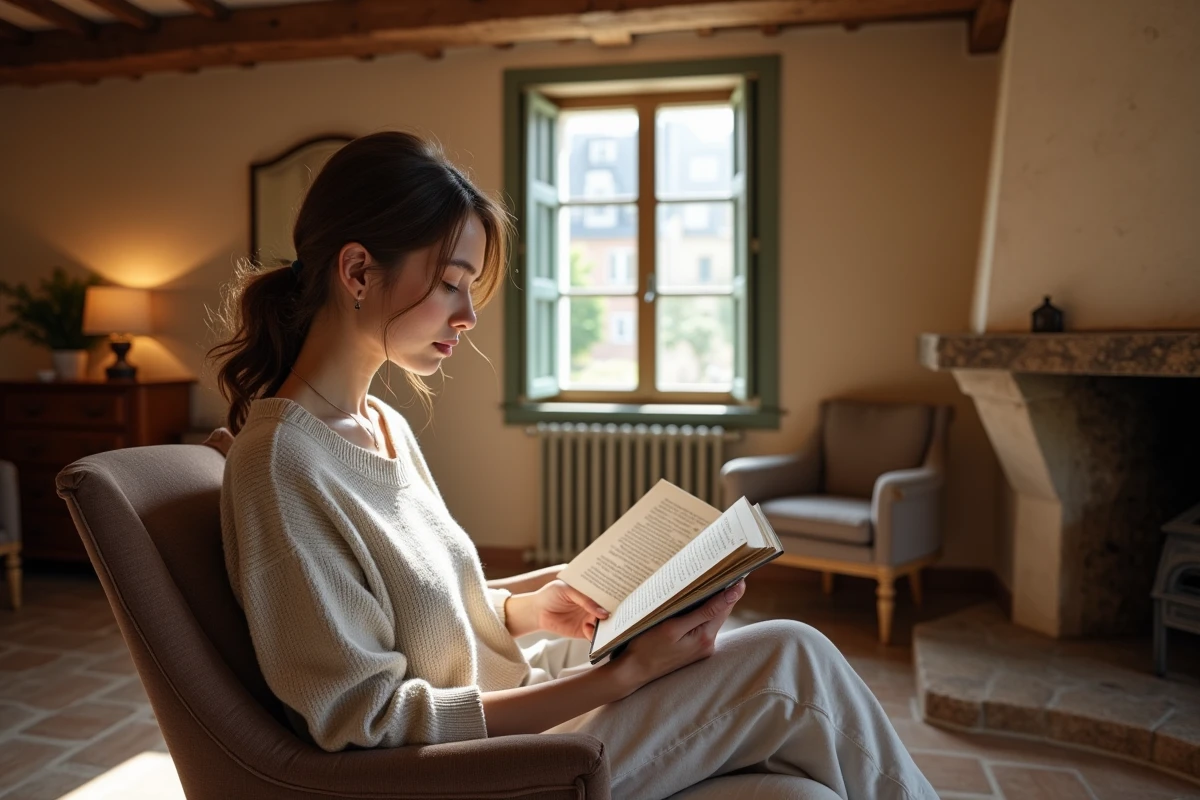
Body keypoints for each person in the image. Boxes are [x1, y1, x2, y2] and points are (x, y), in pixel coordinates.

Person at [208, 131, 937, 800]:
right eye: (452, 281)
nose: (468, 315)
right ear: (359, 270)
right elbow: (365, 716)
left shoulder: (381, 426)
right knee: (791, 661)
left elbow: (435, 618)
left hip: (516, 712)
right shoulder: (281, 464)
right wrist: (627, 673)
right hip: (471, 777)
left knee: (799, 794)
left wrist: (534, 609)